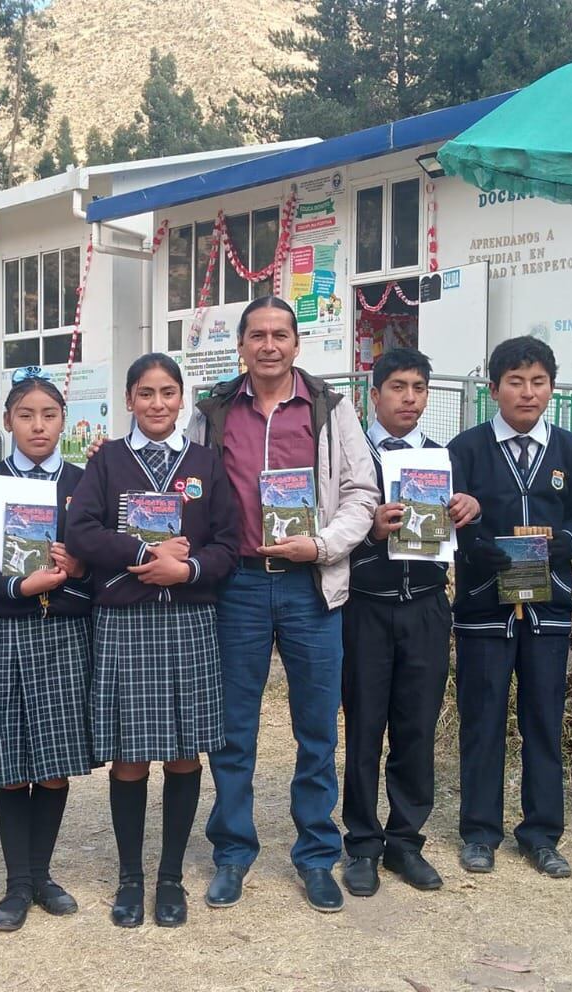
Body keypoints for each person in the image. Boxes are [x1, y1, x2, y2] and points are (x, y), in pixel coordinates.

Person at [190, 296, 379, 914]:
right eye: (257, 335)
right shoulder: (213, 410)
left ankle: (317, 855)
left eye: (280, 335)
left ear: (297, 344)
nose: (268, 345)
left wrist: (321, 546)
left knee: (317, 728)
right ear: (241, 345)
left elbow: (361, 494)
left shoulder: (331, 406)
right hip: (238, 587)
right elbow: (188, 489)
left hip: (310, 586)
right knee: (233, 729)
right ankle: (232, 852)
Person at [64, 353, 240, 928]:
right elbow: (81, 531)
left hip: (189, 618)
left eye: (168, 392)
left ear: (182, 398)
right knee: (131, 755)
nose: (157, 403)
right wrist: (144, 553)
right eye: (146, 393)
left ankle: (169, 877)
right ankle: (130, 877)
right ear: (129, 399)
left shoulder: (205, 463)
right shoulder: (108, 461)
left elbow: (228, 544)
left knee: (185, 752)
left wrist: (186, 570)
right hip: (126, 621)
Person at [0, 369, 94, 932]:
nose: (38, 426)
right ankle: (17, 884)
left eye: (49, 415)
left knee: (54, 764)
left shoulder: (85, 483)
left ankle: (41, 874)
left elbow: (106, 563)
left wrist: (78, 570)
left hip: (63, 635)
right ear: (7, 420)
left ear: (63, 421)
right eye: (26, 415)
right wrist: (15, 587)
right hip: (3, 631)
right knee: (9, 765)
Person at [450, 335, 572, 879]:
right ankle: (479, 832)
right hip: (484, 605)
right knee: (482, 721)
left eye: (538, 382)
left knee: (544, 720)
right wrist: (483, 549)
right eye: (515, 382)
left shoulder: (569, 450)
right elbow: (450, 520)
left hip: (547, 606)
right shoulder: (467, 449)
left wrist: (563, 544)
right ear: (493, 389)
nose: (527, 392)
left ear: (552, 388)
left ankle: (542, 834)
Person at [341, 347, 479, 897]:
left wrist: (468, 509)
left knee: (417, 728)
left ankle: (404, 840)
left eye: (419, 388)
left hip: (425, 605)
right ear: (374, 395)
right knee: (364, 728)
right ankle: (362, 843)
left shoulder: (444, 458)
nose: (410, 399)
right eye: (398, 387)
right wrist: (371, 531)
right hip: (365, 606)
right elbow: (330, 530)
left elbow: (465, 524)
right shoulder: (351, 458)